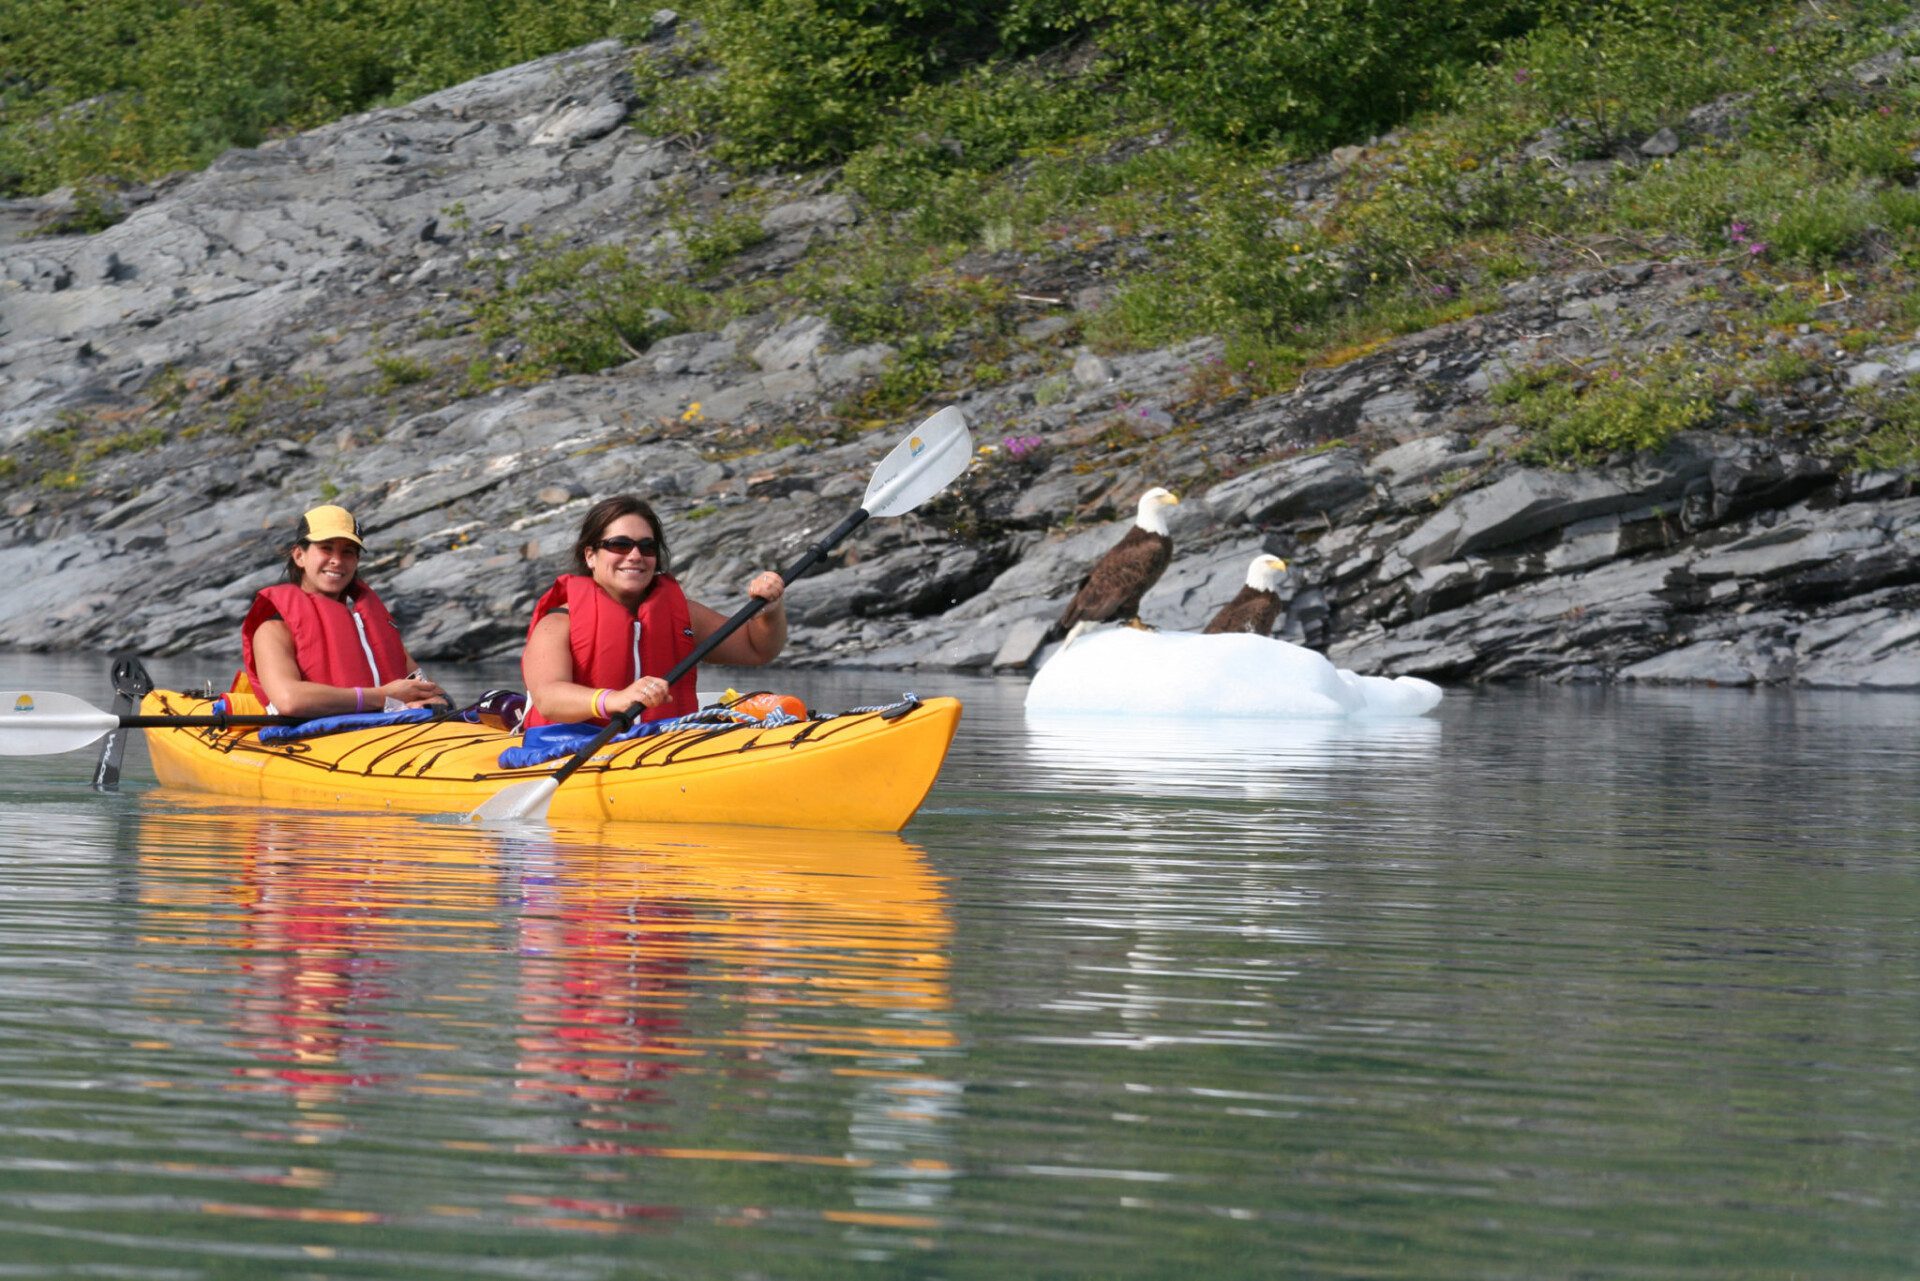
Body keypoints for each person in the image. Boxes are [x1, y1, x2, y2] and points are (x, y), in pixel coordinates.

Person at [522, 495, 786, 727]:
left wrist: (770, 611)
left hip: (661, 746)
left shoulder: (683, 615)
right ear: (590, 555)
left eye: (647, 547)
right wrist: (615, 699)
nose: (635, 555)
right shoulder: (557, 623)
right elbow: (548, 696)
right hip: (574, 748)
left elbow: (756, 648)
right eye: (620, 545)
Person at [240, 504, 447, 716]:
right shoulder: (272, 630)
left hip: (388, 736)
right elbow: (289, 700)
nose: (337, 560)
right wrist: (383, 696)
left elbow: (435, 694)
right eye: (326, 548)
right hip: (317, 742)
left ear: (356, 561)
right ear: (299, 555)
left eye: (348, 552)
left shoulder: (371, 629)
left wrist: (429, 702)